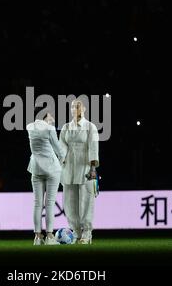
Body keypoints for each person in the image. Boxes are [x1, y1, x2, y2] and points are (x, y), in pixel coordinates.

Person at [59, 99, 99, 244]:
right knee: (69, 202)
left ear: (84, 109)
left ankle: (87, 233)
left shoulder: (90, 127)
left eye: (78, 106)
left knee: (86, 201)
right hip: (68, 168)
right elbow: (61, 146)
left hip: (85, 167)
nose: (75, 109)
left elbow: (94, 148)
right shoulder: (66, 127)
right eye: (72, 107)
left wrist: (93, 169)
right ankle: (75, 232)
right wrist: (60, 161)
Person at [26, 106, 64, 245]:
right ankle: (49, 236)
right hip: (51, 168)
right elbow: (59, 149)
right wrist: (62, 160)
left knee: (37, 203)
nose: (52, 119)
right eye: (49, 116)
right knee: (49, 203)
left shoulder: (29, 127)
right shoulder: (49, 129)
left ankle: (37, 237)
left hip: (36, 168)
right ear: (43, 116)